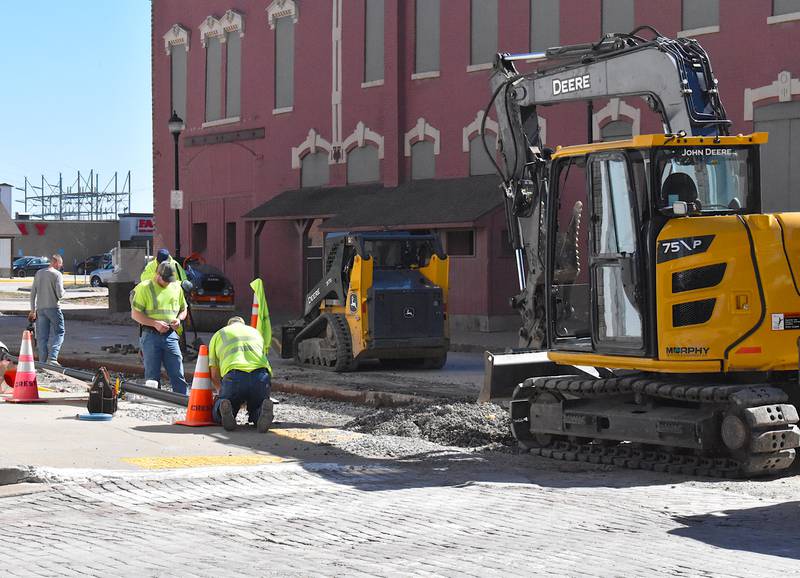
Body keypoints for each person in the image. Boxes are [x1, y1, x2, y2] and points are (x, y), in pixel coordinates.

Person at [130, 261, 190, 394]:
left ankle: (181, 399)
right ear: (157, 274)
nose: (168, 283)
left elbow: (183, 308)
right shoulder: (144, 288)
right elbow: (135, 314)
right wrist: (155, 323)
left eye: (170, 280)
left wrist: (179, 319)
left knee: (177, 372)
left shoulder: (175, 287)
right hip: (150, 335)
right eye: (165, 280)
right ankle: (154, 400)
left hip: (170, 335)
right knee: (152, 375)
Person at [208, 316, 273, 432]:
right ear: (243, 324)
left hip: (234, 377)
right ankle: (260, 413)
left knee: (224, 405)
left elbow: (213, 374)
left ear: (229, 325)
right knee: (256, 406)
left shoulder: (219, 334)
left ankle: (224, 408)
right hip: (261, 375)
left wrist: (220, 391)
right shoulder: (256, 332)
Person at [28, 254, 65, 365]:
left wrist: (32, 310)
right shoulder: (57, 274)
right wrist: (65, 292)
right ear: (55, 262)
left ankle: (42, 363)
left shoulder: (38, 273)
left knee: (42, 337)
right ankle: (53, 358)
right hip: (53, 308)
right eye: (60, 263)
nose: (61, 266)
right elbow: (60, 294)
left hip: (40, 309)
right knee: (59, 332)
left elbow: (33, 293)